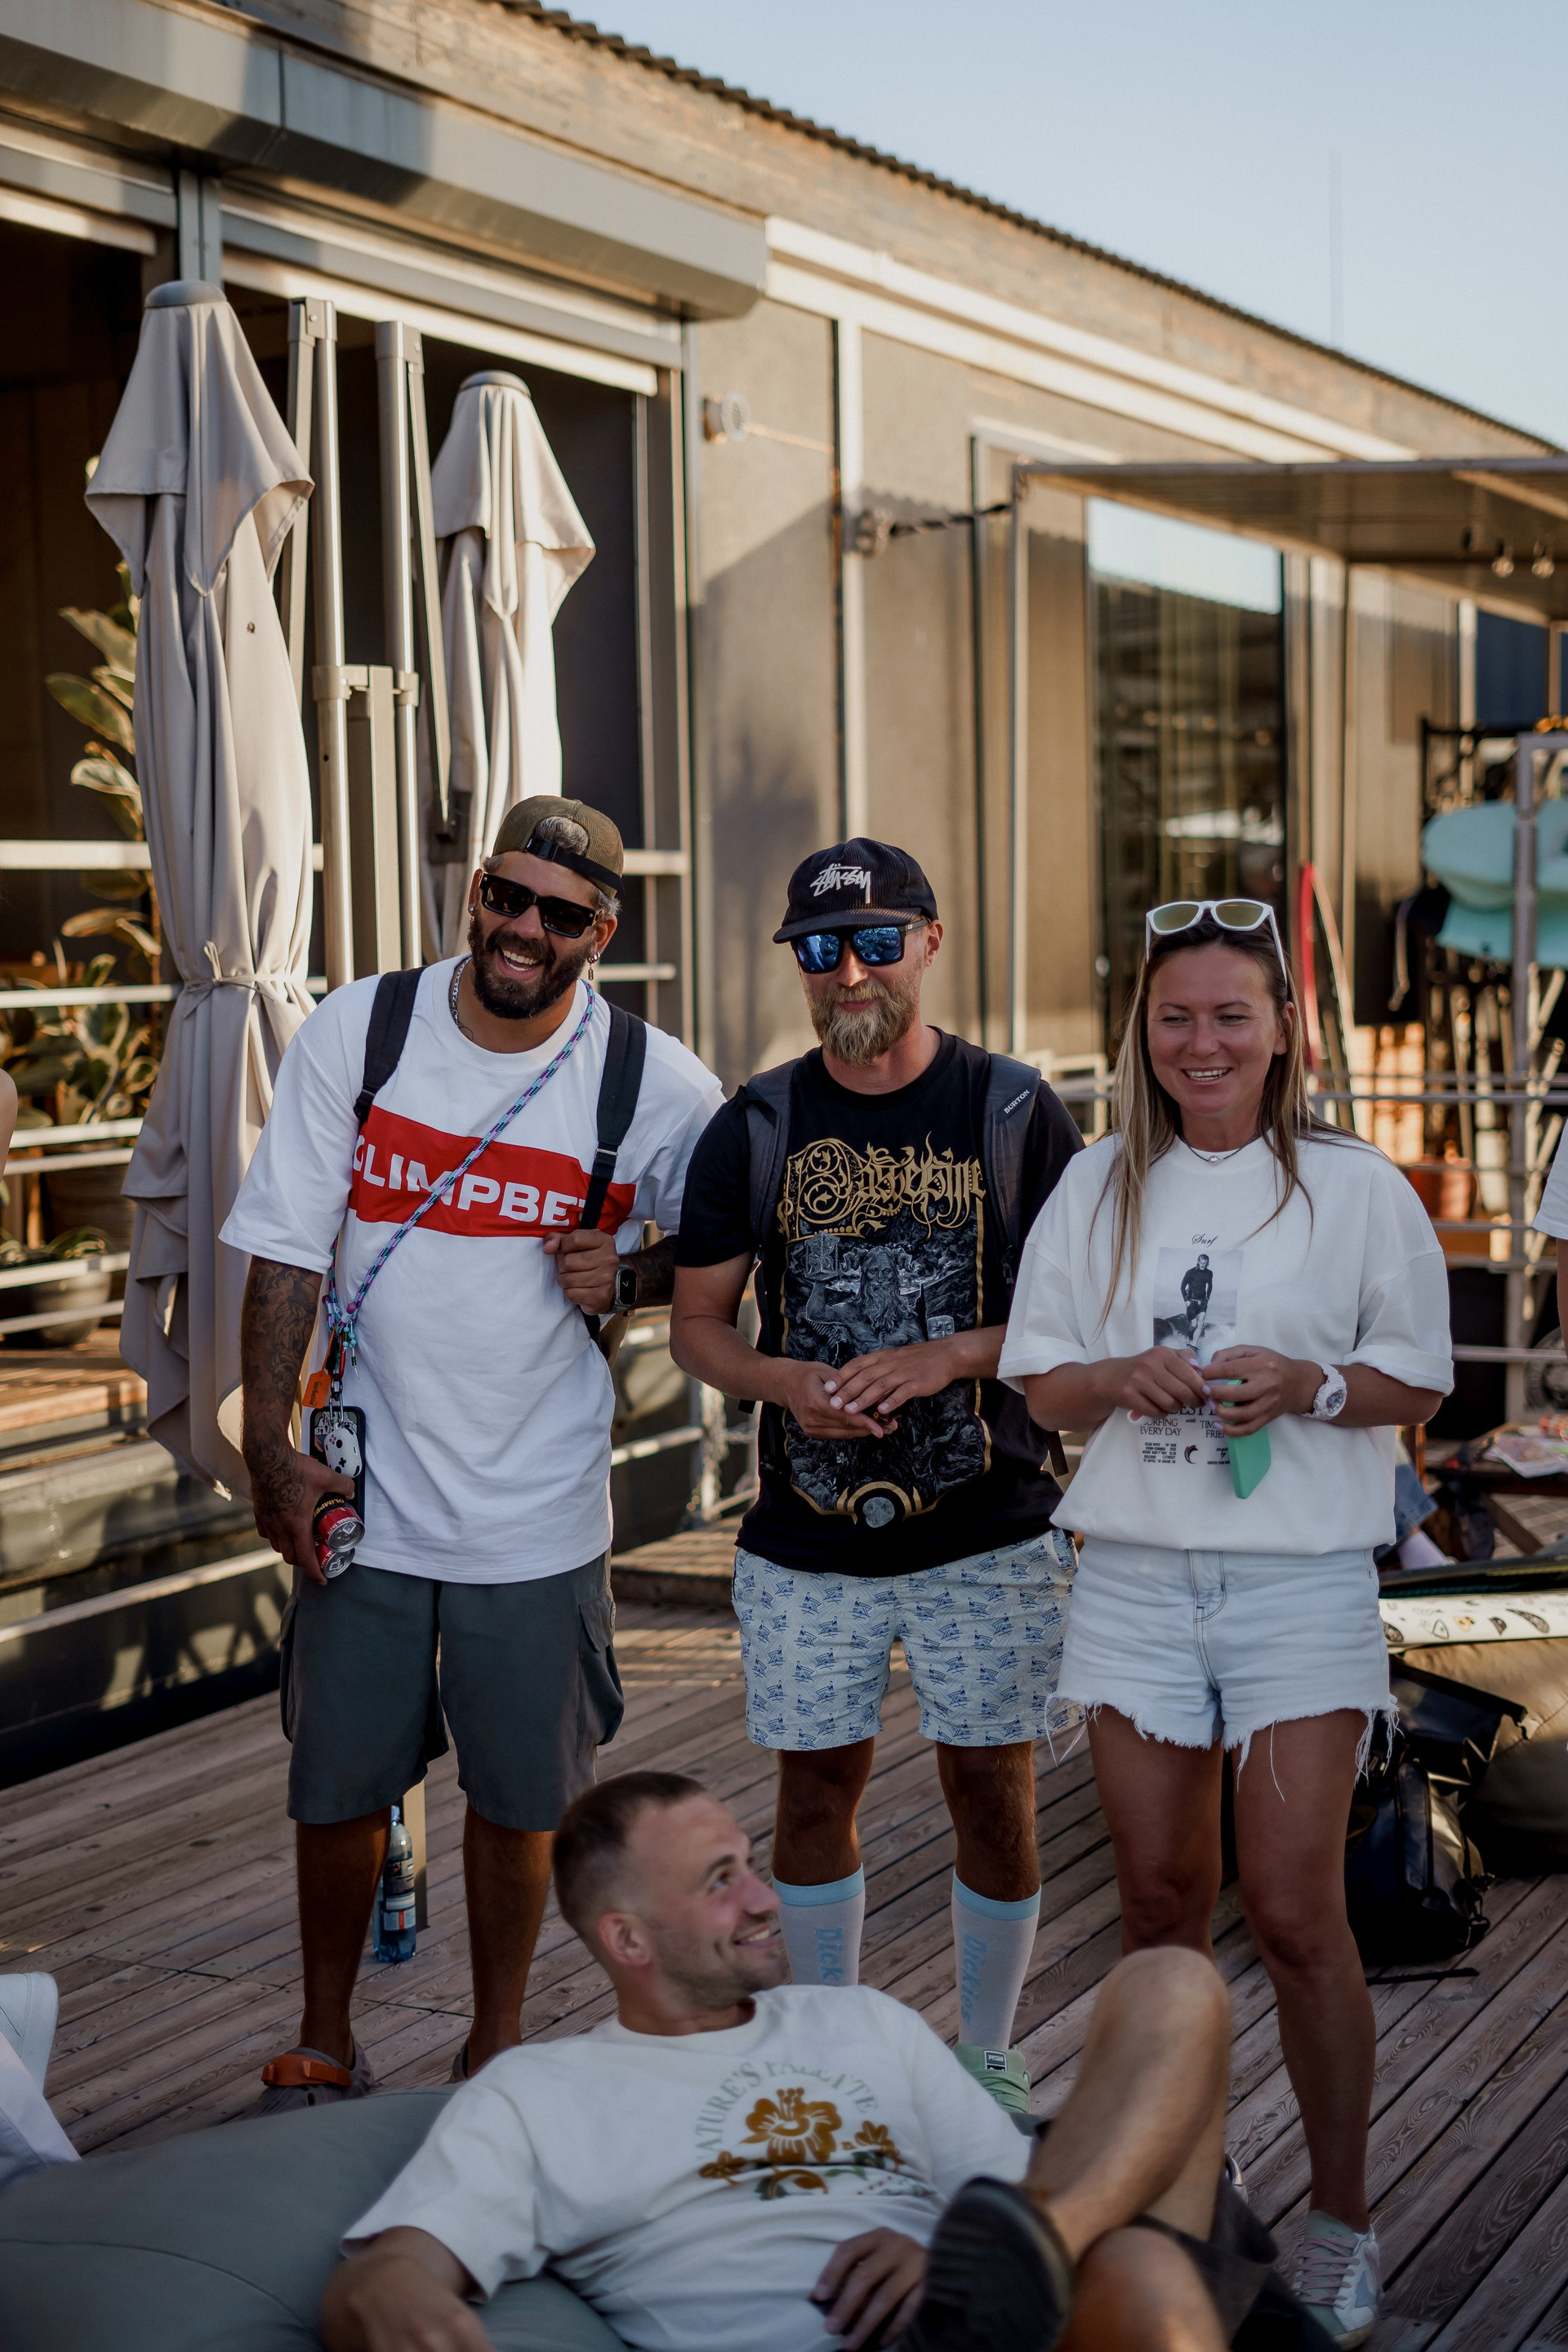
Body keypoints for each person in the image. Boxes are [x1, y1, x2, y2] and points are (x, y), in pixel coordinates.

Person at [996, 898, 1453, 2347]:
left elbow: (1420, 1380)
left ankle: (1341, 2224)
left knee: (1302, 1917)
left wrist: (1312, 1385)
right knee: (1157, 1909)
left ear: (1282, 1030)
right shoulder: (1096, 1184)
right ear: (1145, 1027)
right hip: (1134, 1580)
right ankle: (1186, 2188)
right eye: (1176, 1015)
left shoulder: (1356, 1186)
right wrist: (1115, 1378)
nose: (1202, 1041)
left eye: (1230, 1015)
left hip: (1297, 1584)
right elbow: (1042, 1384)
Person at [221, 796, 723, 2107]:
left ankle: (494, 2041)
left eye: (560, 912)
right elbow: (284, 1249)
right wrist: (271, 1453)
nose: (522, 927)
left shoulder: (657, 1085)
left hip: (536, 1509)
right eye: (506, 895)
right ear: (477, 891)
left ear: (601, 931)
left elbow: (726, 1252)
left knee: (520, 1797)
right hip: (362, 1492)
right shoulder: (364, 1029)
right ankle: (327, 2037)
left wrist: (633, 1273)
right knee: (337, 1781)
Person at [323, 1771, 1327, 2352]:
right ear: (627, 1940)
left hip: (993, 2305)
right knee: (1144, 2274)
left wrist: (948, 2255)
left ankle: (1039, 2247)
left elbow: (1006, 2195)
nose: (766, 1899)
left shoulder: (860, 2023)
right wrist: (396, 2301)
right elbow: (387, 2273)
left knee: (1172, 1983)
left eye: (751, 1864)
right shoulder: (541, 2093)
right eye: (722, 1882)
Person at [669, 839, 1084, 2111]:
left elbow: (1077, 1321)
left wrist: (947, 1356)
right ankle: (832, 2054)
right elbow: (698, 1329)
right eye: (818, 948)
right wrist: (788, 1383)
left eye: (875, 942)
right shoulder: (756, 1123)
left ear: (930, 943)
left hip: (992, 1526)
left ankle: (987, 2057)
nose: (848, 972)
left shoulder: (1016, 1112)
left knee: (994, 1794)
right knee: (811, 1793)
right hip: (808, 1536)